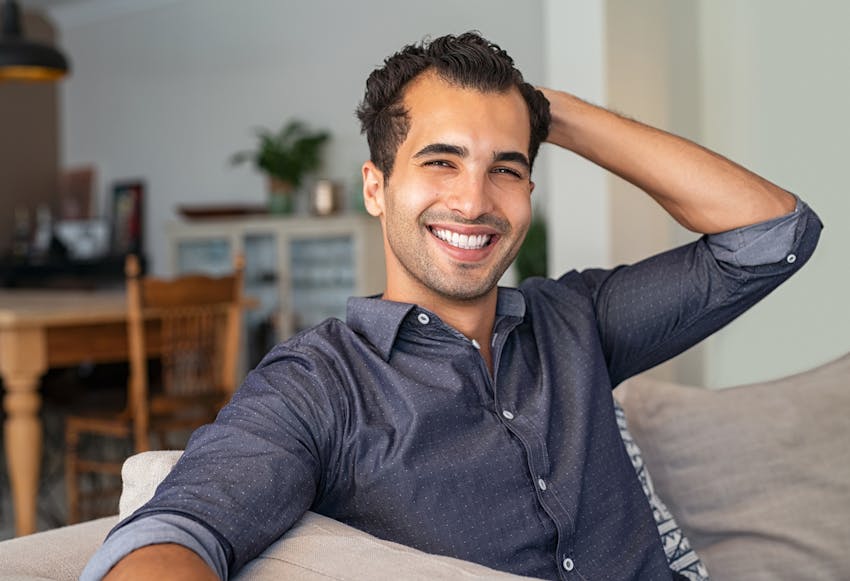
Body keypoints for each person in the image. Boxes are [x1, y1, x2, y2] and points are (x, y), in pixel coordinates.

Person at [82, 32, 821, 581]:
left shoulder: (578, 318)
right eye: (441, 161)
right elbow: (178, 532)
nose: (473, 200)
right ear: (376, 187)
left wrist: (550, 112)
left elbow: (771, 232)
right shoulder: (320, 381)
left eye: (506, 167)